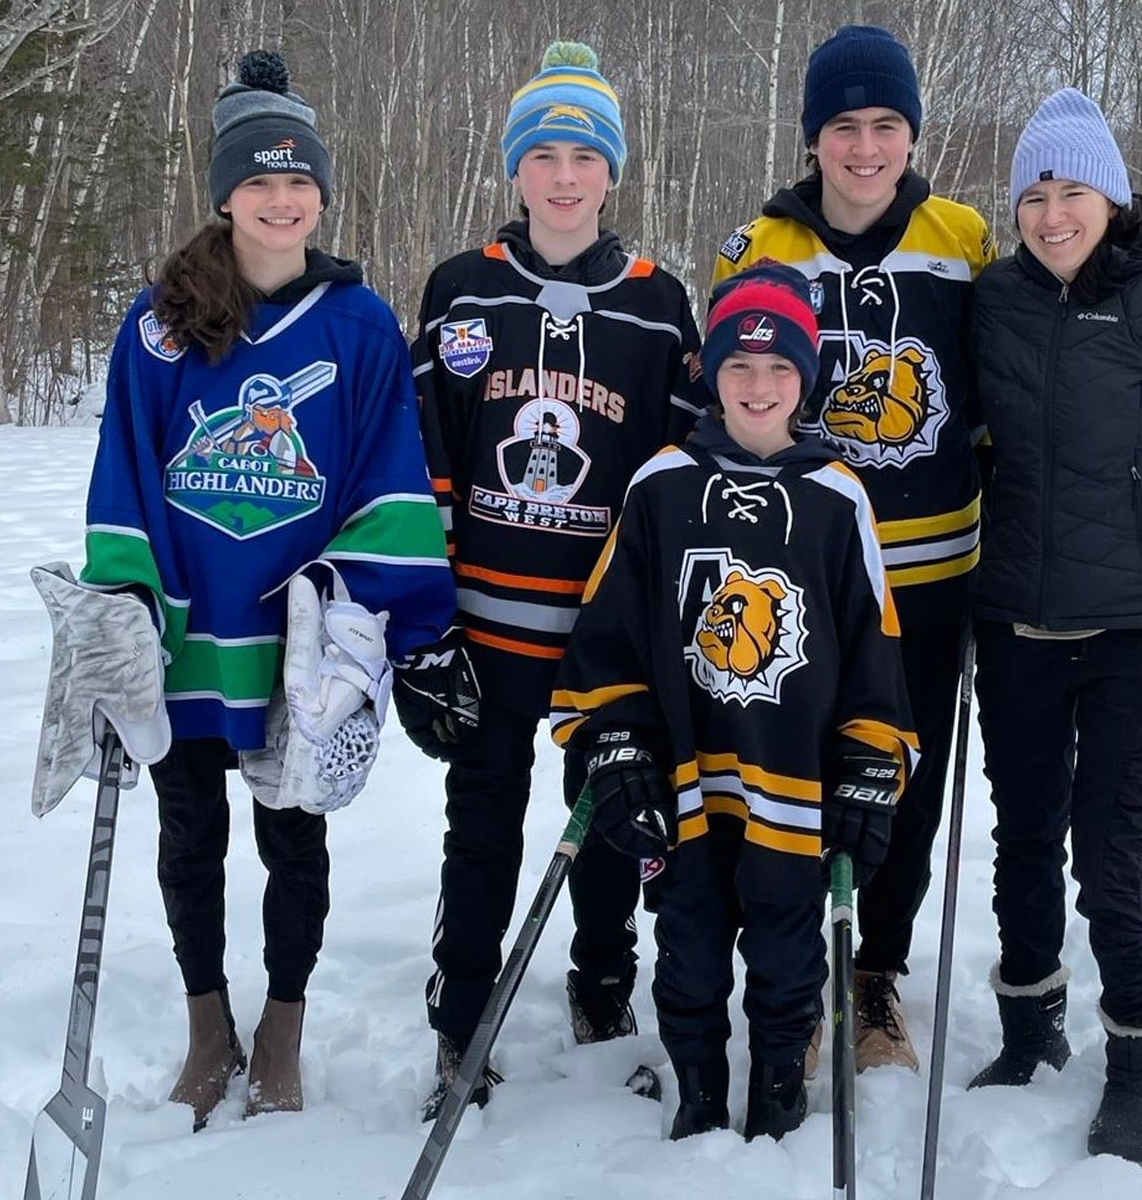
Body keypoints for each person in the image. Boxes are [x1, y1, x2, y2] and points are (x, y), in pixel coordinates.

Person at [77, 52, 455, 1129]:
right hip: (194, 631)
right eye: (259, 183)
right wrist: (127, 601)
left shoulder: (360, 324)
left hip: (297, 636)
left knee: (294, 833)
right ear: (226, 195)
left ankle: (282, 1025)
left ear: (321, 197)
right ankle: (210, 1028)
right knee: (189, 831)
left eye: (300, 184)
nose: (282, 201)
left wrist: (379, 612)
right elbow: (128, 474)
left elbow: (389, 474)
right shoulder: (159, 324)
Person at [393, 41, 703, 1118]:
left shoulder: (660, 304)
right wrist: (424, 629)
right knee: (480, 825)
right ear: (515, 168)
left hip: (602, 638)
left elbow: (681, 481)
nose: (563, 176)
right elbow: (423, 466)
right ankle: (461, 1024)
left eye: (584, 155)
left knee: (612, 814)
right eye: (544, 155)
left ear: (611, 171)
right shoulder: (462, 289)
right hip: (486, 629)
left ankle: (601, 981)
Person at [550, 264, 917, 1141]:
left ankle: (781, 1090)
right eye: (740, 368)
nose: (759, 387)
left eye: (781, 369)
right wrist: (617, 739)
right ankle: (701, 1091)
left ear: (808, 378)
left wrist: (871, 757)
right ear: (710, 374)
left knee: (792, 948)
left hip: (790, 775)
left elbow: (875, 639)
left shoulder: (837, 496)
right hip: (687, 773)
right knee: (689, 940)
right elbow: (608, 633)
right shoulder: (660, 484)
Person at [966, 88, 1142, 1162]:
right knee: (1025, 834)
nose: (1052, 214)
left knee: (1109, 850)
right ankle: (1028, 1024)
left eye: (1072, 191)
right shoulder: (993, 299)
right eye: (1034, 194)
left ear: (1112, 196)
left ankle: (1137, 1057)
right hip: (1018, 621)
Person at [712, 24, 993, 1073]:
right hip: (806, 572)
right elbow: (728, 408)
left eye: (886, 126)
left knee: (902, 782)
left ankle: (875, 974)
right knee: (792, 769)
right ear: (813, 136)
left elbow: (1000, 396)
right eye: (844, 126)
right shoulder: (760, 249)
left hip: (932, 574)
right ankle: (789, 959)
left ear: (911, 133)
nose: (866, 148)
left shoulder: (963, 239)